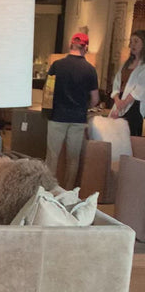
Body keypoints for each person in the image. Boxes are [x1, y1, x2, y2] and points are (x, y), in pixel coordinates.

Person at [45, 32, 99, 189]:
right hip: (78, 119)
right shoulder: (90, 70)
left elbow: (48, 91)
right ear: (85, 48)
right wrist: (84, 107)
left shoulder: (57, 65)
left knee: (52, 157)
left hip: (57, 117)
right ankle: (68, 191)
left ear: (70, 45)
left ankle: (48, 191)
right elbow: (95, 99)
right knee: (73, 159)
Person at [109, 30, 145, 137]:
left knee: (130, 136)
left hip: (134, 105)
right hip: (120, 101)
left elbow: (139, 89)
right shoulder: (126, 63)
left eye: (136, 41)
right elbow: (116, 83)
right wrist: (117, 100)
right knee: (115, 135)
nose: (132, 45)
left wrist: (123, 103)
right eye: (131, 41)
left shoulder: (143, 66)